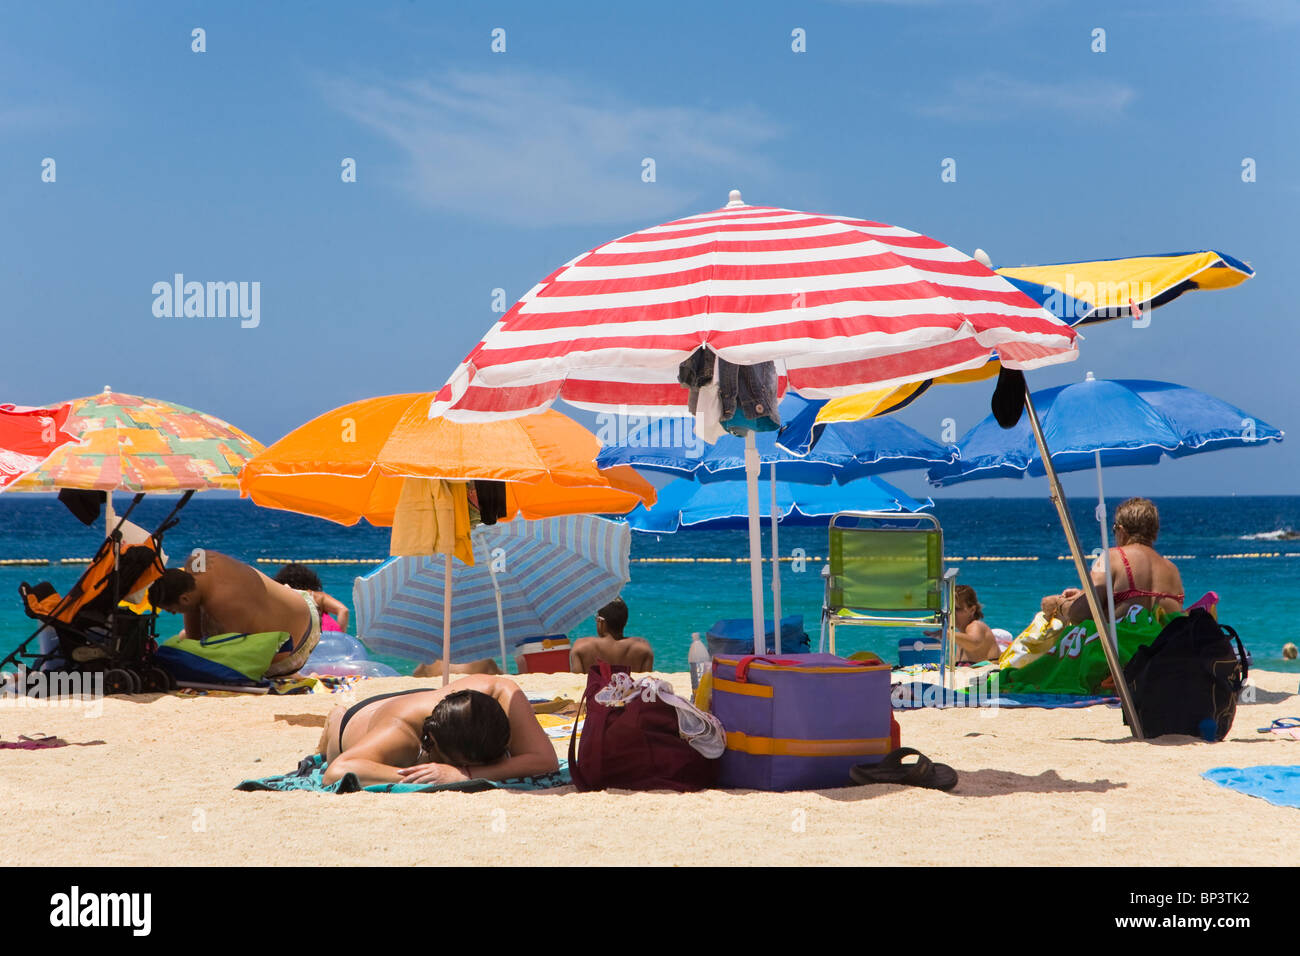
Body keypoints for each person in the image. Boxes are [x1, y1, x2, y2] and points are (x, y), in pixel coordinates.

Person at [318, 675, 558, 787]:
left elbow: (545, 760)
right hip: (357, 718)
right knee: (337, 719)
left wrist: (465, 773)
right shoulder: (401, 733)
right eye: (456, 762)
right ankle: (334, 718)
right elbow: (337, 771)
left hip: (436, 702)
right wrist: (428, 775)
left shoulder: (501, 692)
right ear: (431, 742)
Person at [147, 551, 321, 678]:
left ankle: (294, 675)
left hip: (298, 644)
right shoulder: (196, 559)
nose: (173, 614)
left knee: (186, 640)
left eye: (173, 610)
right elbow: (193, 607)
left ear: (184, 598)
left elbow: (233, 663)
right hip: (300, 601)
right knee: (190, 631)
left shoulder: (226, 608)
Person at [1040, 497, 1185, 626]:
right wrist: (1081, 595)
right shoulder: (1172, 569)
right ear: (1155, 531)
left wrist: (1058, 604)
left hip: (1123, 654)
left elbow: (1081, 614)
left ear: (1121, 530)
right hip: (1164, 652)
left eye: (1114, 529)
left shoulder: (1113, 558)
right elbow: (1141, 602)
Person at [569, 597, 654, 673]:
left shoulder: (580, 647)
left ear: (601, 622)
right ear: (625, 621)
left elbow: (577, 685)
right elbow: (645, 686)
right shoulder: (644, 649)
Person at [274, 563, 349, 633]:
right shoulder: (318, 596)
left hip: (300, 637)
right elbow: (343, 610)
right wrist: (340, 635)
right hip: (326, 634)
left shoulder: (287, 594)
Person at [951, 584, 1000, 663]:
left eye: (957, 609)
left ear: (972, 610)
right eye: (950, 609)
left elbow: (974, 643)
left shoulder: (976, 625)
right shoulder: (961, 635)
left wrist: (947, 634)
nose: (952, 613)